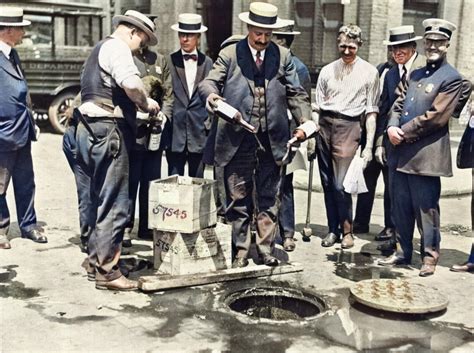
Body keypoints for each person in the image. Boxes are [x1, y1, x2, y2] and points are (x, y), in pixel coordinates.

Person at [199, 2, 314, 268]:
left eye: (267, 34)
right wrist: (214, 98)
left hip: (272, 139)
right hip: (236, 138)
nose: (262, 40)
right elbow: (209, 82)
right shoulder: (230, 54)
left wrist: (304, 122)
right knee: (237, 197)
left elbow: (296, 94)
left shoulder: (282, 56)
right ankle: (240, 250)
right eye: (257, 33)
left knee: (268, 197)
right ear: (249, 28)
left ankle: (265, 249)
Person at [75, 10, 160, 290]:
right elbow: (132, 84)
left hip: (88, 129)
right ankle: (108, 273)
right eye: (143, 40)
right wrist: (146, 105)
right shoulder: (119, 48)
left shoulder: (98, 49)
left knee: (99, 198)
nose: (141, 47)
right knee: (115, 203)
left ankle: (95, 262)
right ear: (133, 32)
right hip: (110, 131)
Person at [382, 19, 464, 277]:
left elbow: (436, 117)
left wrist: (402, 133)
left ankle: (429, 257)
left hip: (426, 157)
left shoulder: (452, 78)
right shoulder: (415, 73)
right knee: (400, 207)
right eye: (429, 41)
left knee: (426, 210)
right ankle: (403, 252)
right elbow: (396, 103)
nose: (433, 46)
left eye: (439, 42)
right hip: (401, 154)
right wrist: (392, 127)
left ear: (447, 45)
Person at [353, 26, 424, 249]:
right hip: (391, 140)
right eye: (394, 48)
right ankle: (392, 232)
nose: (398, 51)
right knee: (392, 187)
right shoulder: (391, 72)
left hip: (418, 143)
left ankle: (423, 247)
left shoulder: (424, 69)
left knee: (417, 199)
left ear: (414, 47)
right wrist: (379, 142)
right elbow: (384, 107)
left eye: (403, 47)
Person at [314, 24, 379, 249]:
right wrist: (313, 134)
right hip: (324, 126)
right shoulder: (327, 70)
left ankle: (347, 231)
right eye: (343, 46)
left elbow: (371, 112)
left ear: (359, 44)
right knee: (326, 182)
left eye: (352, 46)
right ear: (337, 43)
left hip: (350, 126)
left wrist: (369, 146)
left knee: (341, 184)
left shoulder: (370, 73)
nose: (347, 51)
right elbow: (317, 107)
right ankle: (332, 230)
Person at [0, 7, 47, 250]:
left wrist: (32, 122)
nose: (23, 32)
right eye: (20, 28)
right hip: (2, 134)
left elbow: (21, 91)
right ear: (6, 30)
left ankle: (28, 225)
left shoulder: (12, 55)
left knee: (26, 181)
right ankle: (1, 229)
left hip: (21, 131)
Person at [123, 46, 174, 246]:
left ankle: (147, 226)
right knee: (130, 182)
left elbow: (169, 94)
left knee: (152, 182)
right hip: (134, 131)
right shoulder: (126, 57)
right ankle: (126, 227)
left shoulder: (160, 60)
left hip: (156, 131)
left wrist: (164, 117)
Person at [272, 20, 312, 252]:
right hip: (267, 132)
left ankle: (287, 232)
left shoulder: (299, 68)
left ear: (284, 42)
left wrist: (303, 136)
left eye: (275, 39)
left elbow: (302, 103)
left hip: (288, 133)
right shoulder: (266, 64)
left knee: (285, 184)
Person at [167, 13, 213, 178]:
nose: (185, 39)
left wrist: (208, 124)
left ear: (198, 37)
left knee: (198, 185)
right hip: (174, 134)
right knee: (172, 185)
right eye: (182, 34)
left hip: (199, 132)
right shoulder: (169, 61)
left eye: (189, 35)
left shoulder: (208, 63)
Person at [62, 94, 92, 253]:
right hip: (76, 139)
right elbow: (71, 112)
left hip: (85, 137)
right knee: (86, 189)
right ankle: (87, 238)